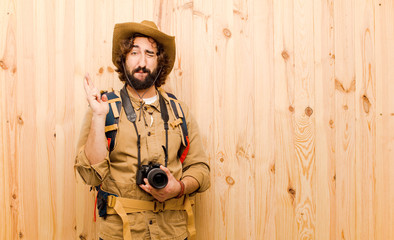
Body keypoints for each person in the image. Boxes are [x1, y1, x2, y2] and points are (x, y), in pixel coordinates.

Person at [74, 20, 210, 240]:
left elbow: (201, 169)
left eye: (150, 54)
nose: (142, 62)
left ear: (160, 61)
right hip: (120, 234)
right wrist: (99, 116)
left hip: (172, 233)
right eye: (134, 52)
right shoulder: (103, 108)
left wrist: (179, 187)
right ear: (124, 58)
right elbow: (89, 175)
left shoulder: (179, 111)